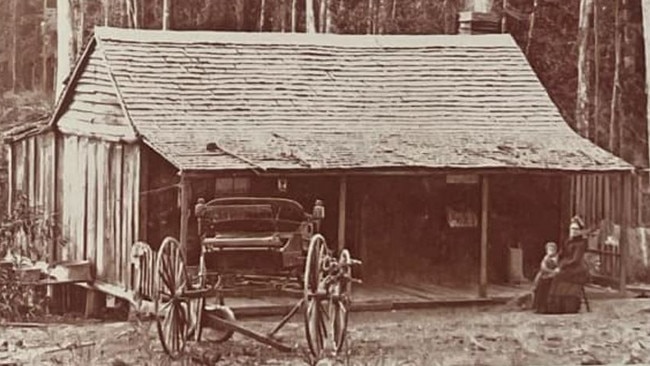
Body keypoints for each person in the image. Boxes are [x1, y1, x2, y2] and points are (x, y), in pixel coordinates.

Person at [544, 216, 590, 314]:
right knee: (547, 274)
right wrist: (555, 259)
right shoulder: (568, 241)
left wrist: (561, 266)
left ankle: (565, 306)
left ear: (580, 231)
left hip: (577, 269)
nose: (574, 231)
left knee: (558, 276)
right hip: (567, 266)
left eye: (576, 229)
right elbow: (562, 253)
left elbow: (575, 260)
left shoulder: (581, 244)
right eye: (572, 229)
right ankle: (550, 307)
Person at [532, 242, 560, 313]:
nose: (551, 250)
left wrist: (553, 272)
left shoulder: (558, 258)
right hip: (546, 275)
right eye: (549, 249)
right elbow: (543, 267)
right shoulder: (546, 257)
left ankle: (547, 308)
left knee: (546, 286)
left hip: (554, 276)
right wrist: (550, 271)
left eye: (553, 248)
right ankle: (539, 307)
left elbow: (558, 268)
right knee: (539, 286)